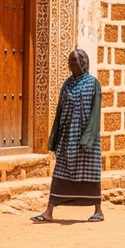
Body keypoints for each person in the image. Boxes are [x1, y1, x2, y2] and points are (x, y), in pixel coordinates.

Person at [32, 49, 104, 222]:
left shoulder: (93, 83)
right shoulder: (67, 84)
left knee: (91, 173)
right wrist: (55, 138)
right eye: (71, 61)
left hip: (87, 138)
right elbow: (59, 111)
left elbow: (95, 113)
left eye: (76, 61)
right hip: (67, 138)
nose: (73, 64)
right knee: (60, 171)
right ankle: (49, 211)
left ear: (85, 63)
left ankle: (98, 211)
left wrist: (87, 138)